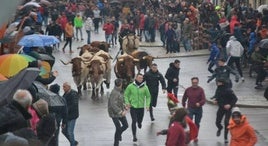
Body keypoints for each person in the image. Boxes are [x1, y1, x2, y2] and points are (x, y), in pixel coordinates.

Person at [124, 73, 151, 142]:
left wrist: (147, 105)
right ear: (136, 78)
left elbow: (148, 96)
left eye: (141, 78)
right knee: (134, 121)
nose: (140, 79)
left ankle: (139, 123)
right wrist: (127, 103)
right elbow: (125, 95)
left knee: (139, 121)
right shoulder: (130, 86)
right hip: (133, 107)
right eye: (139, 78)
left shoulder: (145, 87)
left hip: (141, 107)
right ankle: (134, 136)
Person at [213, 79, 238, 143]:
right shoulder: (218, 89)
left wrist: (230, 105)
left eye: (218, 82)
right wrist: (216, 100)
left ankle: (225, 137)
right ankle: (220, 128)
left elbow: (235, 98)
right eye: (217, 82)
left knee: (226, 122)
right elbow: (217, 97)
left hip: (228, 109)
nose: (217, 83)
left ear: (222, 83)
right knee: (217, 122)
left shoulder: (228, 90)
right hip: (221, 108)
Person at [182, 77, 206, 142]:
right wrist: (184, 106)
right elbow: (184, 98)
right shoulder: (188, 90)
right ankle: (190, 134)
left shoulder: (201, 90)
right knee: (190, 122)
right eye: (193, 83)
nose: (194, 84)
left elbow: (204, 100)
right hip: (190, 108)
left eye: (196, 82)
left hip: (198, 109)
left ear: (198, 82)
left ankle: (195, 136)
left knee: (197, 123)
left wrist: (199, 103)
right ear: (191, 82)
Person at [108, 79, 129, 146]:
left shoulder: (120, 91)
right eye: (122, 83)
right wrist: (120, 112)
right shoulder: (114, 93)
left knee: (125, 125)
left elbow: (120, 101)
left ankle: (119, 134)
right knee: (118, 128)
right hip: (114, 113)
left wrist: (124, 106)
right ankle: (116, 143)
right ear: (120, 84)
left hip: (120, 111)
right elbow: (112, 104)